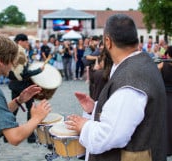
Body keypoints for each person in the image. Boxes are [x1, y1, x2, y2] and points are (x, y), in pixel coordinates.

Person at [66, 14, 167, 161]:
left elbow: (109, 137)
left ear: (108, 41)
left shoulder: (130, 79)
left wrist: (84, 126)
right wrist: (94, 109)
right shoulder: (144, 63)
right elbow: (128, 114)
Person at [8, 33, 44, 143]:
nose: (27, 43)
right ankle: (30, 136)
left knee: (14, 108)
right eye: (26, 41)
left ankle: (7, 134)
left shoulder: (11, 51)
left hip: (14, 84)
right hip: (22, 85)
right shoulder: (20, 52)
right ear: (20, 41)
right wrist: (38, 71)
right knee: (31, 108)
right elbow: (23, 73)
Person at [158, 46, 172, 156]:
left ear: (168, 55)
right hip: (166, 96)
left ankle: (167, 149)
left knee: (166, 123)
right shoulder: (164, 63)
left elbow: (153, 72)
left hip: (166, 97)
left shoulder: (163, 64)